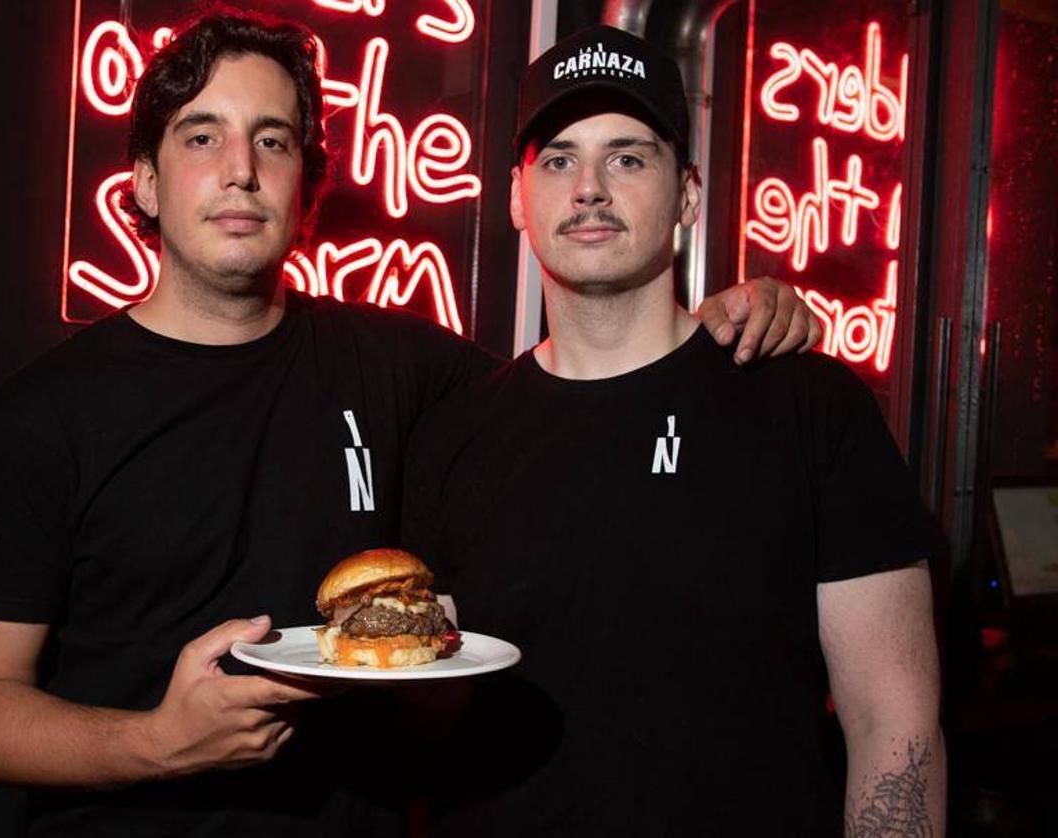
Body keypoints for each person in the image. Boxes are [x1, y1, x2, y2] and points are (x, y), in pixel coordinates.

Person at [0, 9, 817, 837]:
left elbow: (590, 380)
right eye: (202, 135)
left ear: (305, 181)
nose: (240, 168)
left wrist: (741, 311)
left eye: (272, 140)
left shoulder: (396, 364)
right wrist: (156, 742)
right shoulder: (43, 415)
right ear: (145, 183)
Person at [401, 24, 945, 837]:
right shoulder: (454, 431)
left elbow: (895, 731)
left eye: (627, 157)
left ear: (688, 194)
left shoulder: (810, 407)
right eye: (557, 159)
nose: (588, 187)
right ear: (517, 198)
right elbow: (426, 720)